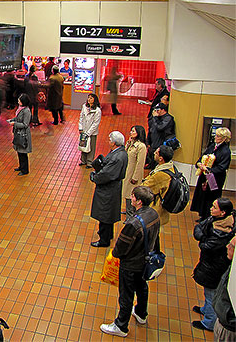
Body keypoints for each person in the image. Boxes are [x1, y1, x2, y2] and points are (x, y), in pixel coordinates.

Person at [100, 186, 160, 338]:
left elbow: (121, 248)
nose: (131, 198)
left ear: (138, 201)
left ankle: (121, 325)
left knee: (126, 294)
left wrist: (115, 254)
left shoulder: (133, 223)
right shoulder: (153, 214)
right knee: (142, 287)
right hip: (145, 260)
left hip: (131, 263)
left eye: (133, 196)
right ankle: (141, 313)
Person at [191, 198, 235, 332]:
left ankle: (209, 322)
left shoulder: (221, 233)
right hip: (210, 264)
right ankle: (206, 310)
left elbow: (205, 246)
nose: (211, 208)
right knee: (208, 292)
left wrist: (202, 238)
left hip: (214, 268)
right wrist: (203, 236)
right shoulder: (215, 220)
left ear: (222, 212)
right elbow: (199, 227)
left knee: (211, 294)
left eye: (214, 207)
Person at [90, 131, 128, 247]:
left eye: (110, 140)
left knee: (105, 214)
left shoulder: (117, 157)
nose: (108, 142)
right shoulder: (120, 153)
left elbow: (107, 174)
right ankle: (108, 234)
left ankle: (104, 240)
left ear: (115, 143)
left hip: (108, 190)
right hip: (112, 188)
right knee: (108, 214)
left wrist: (94, 177)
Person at [190, 127, 232, 222]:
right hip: (205, 176)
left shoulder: (225, 151)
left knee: (211, 197)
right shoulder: (213, 146)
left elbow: (222, 167)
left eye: (218, 136)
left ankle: (208, 217)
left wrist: (208, 169)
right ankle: (202, 214)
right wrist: (199, 163)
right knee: (203, 195)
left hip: (214, 178)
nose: (215, 137)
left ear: (224, 138)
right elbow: (203, 156)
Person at [142, 145, 175, 252]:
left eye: (156, 153)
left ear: (161, 158)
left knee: (152, 237)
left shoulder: (160, 175)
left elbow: (145, 186)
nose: (154, 153)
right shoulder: (171, 168)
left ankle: (152, 257)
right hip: (161, 210)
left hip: (156, 210)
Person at [213, 235, 236, 340]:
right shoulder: (230, 266)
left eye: (231, 246)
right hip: (223, 320)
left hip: (229, 327)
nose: (227, 246)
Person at [122, 125, 147, 216]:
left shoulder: (141, 147)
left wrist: (135, 177)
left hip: (133, 174)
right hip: (127, 172)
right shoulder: (131, 143)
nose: (131, 133)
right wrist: (128, 143)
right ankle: (128, 210)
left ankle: (130, 214)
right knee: (126, 193)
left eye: (133, 131)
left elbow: (140, 164)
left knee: (131, 194)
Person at [8, 93, 32, 176]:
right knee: (19, 151)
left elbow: (25, 124)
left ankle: (25, 170)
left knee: (23, 153)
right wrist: (13, 120)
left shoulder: (26, 111)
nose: (18, 101)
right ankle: (21, 167)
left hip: (23, 135)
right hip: (18, 133)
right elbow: (18, 118)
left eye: (19, 100)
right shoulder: (20, 109)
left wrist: (15, 124)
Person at [146, 103, 175, 169]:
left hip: (161, 143)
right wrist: (148, 141)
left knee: (158, 163)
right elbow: (150, 129)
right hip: (153, 142)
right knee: (153, 160)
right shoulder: (155, 118)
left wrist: (155, 118)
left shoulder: (168, 118)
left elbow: (160, 127)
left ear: (163, 110)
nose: (156, 112)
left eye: (158, 110)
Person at [78, 94, 102, 168]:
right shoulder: (84, 107)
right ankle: (83, 160)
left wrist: (89, 133)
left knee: (91, 146)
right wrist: (80, 128)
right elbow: (81, 117)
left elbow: (96, 123)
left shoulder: (97, 110)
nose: (89, 99)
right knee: (83, 145)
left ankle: (89, 162)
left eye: (91, 98)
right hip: (84, 130)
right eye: (88, 98)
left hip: (92, 133)